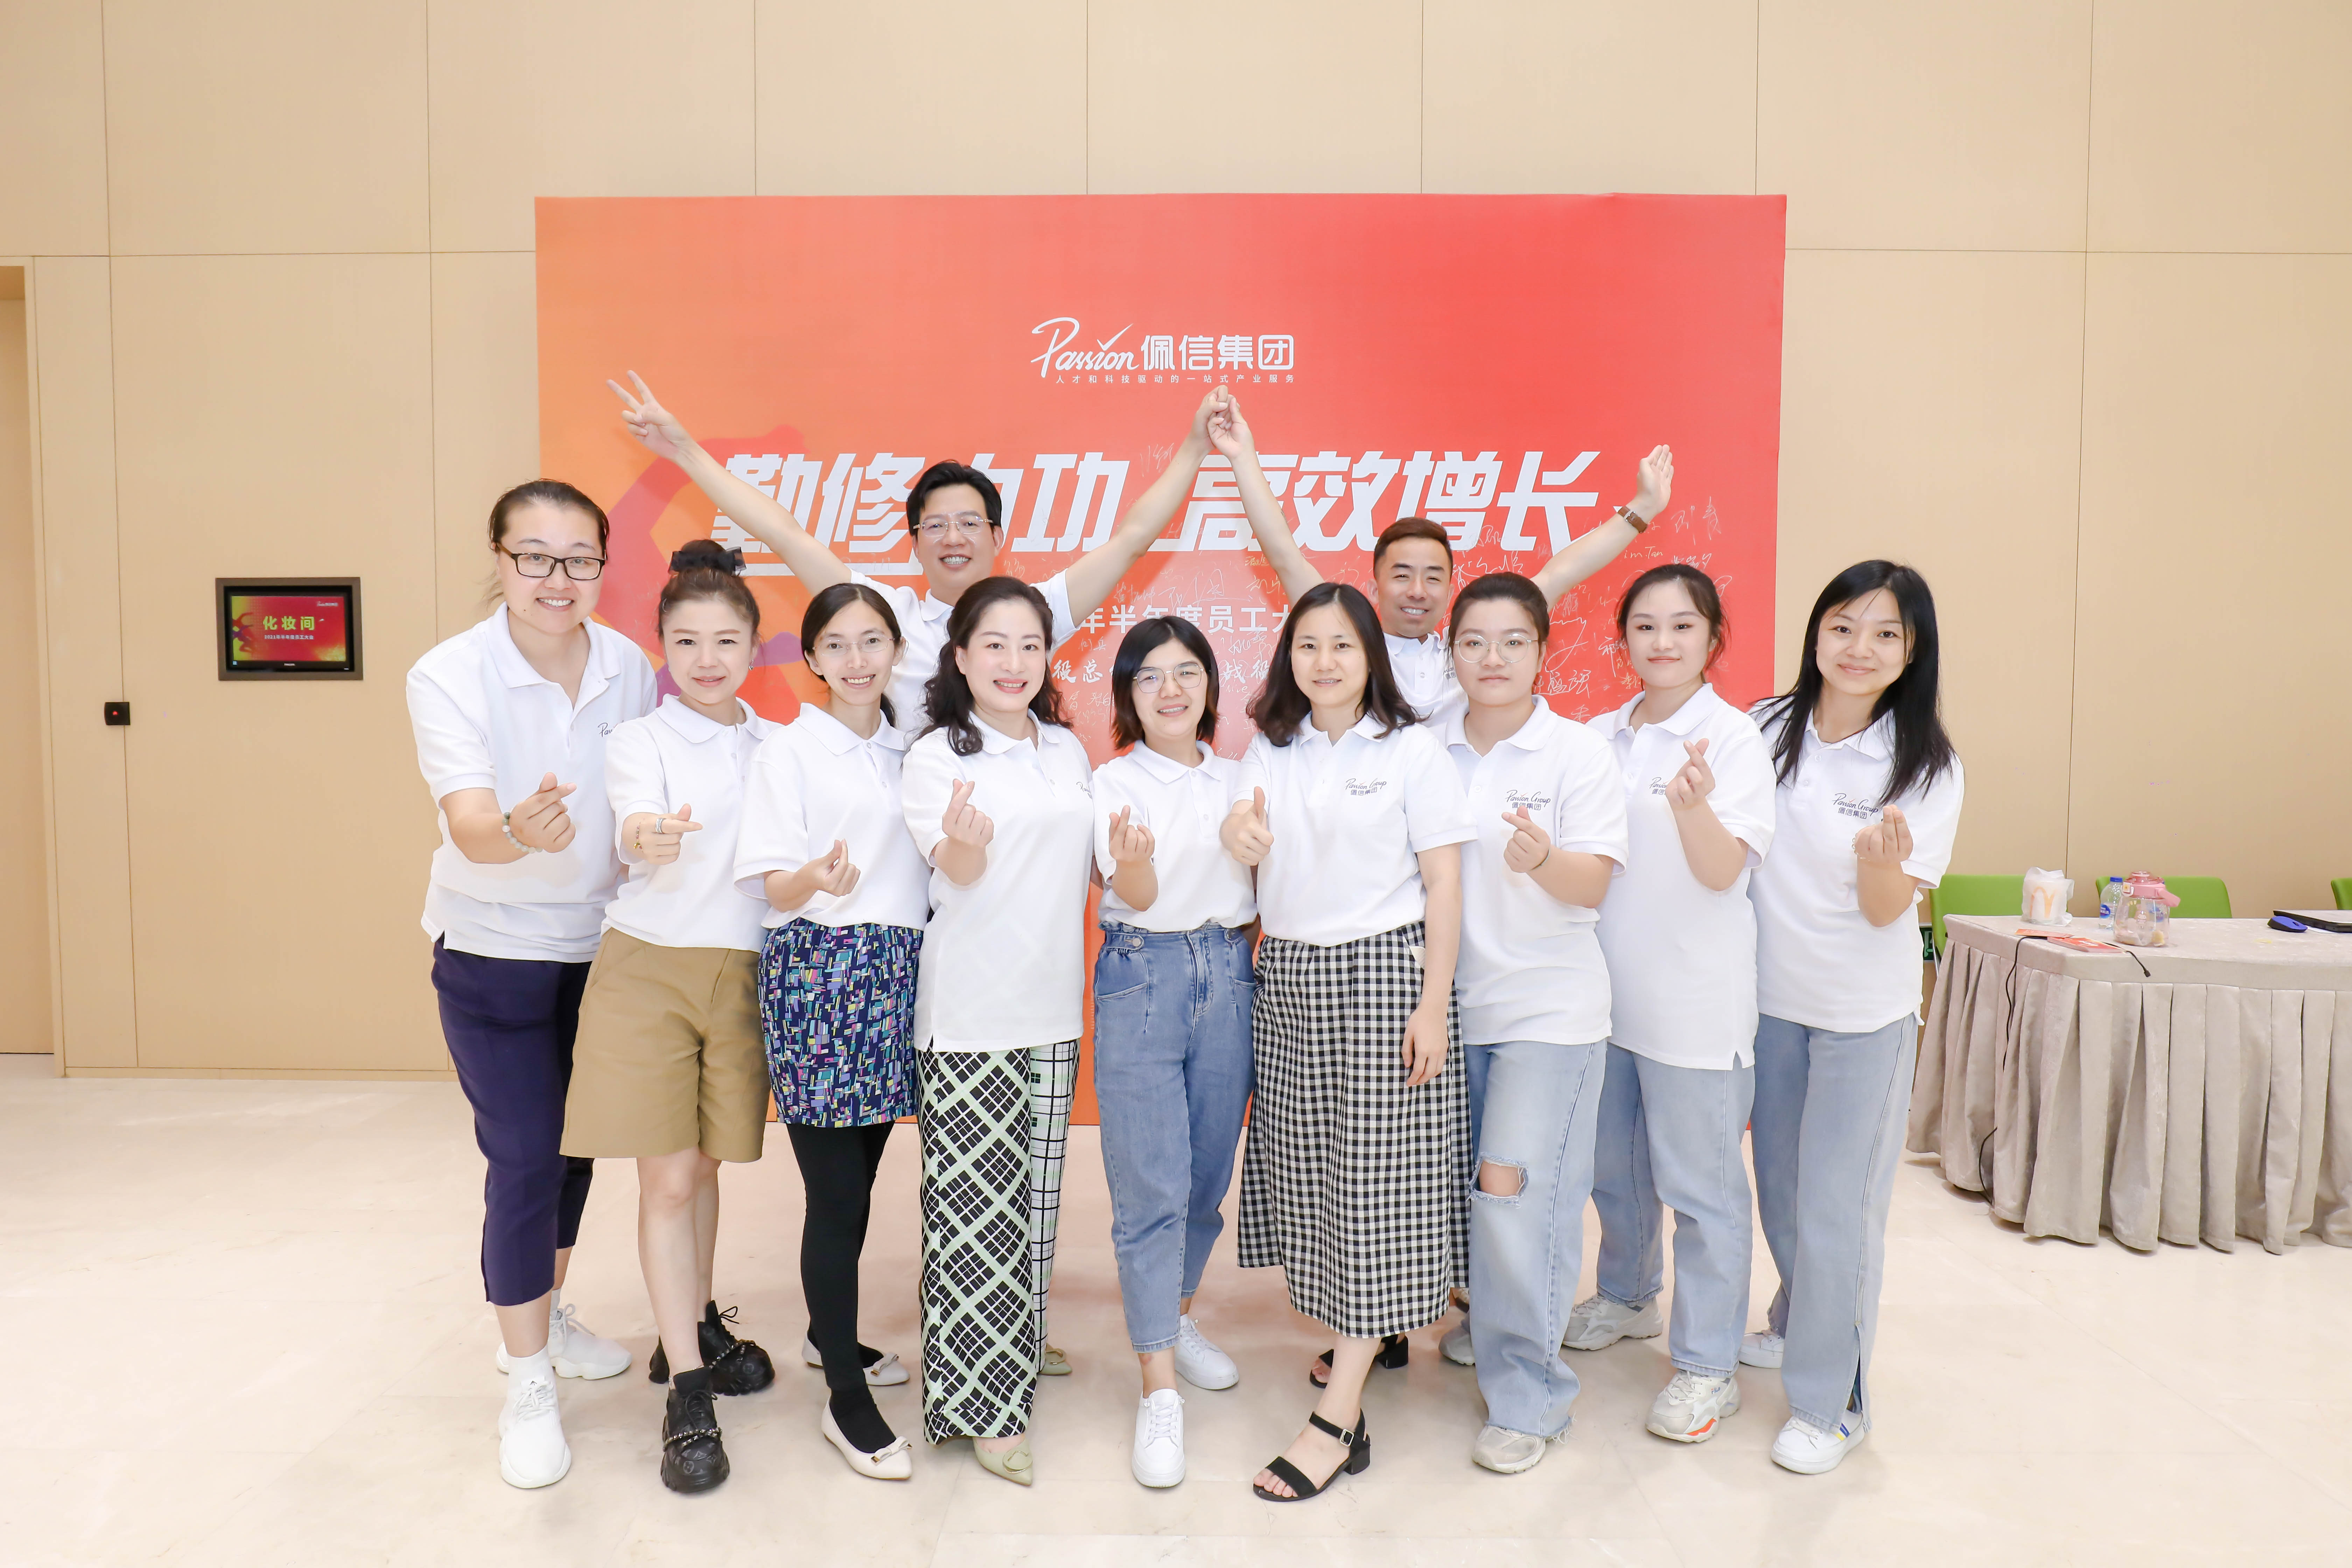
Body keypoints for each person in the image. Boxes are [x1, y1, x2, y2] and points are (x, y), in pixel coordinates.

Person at [404, 480, 648, 1489]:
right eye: (535, 557)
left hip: (603, 947)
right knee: (524, 1156)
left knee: (575, 1149)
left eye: (580, 559)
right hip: (492, 948)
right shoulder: (449, 673)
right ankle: (527, 1377)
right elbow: (467, 822)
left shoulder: (630, 664)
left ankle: (545, 1317)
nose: (559, 579)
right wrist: (514, 831)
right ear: (500, 558)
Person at [1221, 582, 1476, 1502]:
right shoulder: (1270, 748)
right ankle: (1366, 1342)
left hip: (1383, 980)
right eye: (1307, 645)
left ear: (1372, 656)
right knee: (1316, 1178)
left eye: (1342, 645)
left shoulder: (1412, 750)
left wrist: (1433, 1003)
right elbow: (1245, 839)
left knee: (1375, 1188)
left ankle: (1338, 1419)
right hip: (1290, 979)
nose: (1323, 662)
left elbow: (1444, 886)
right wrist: (1239, 832)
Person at [611, 372, 1221, 733]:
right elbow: (787, 535)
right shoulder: (885, 615)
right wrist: (688, 454)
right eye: (937, 526)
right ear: (915, 543)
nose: (954, 538)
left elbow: (1131, 539)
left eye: (970, 524)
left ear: (998, 539)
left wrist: (1194, 449)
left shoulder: (1031, 614)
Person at [559, 540, 779, 1493]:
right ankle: (688, 1389)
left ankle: (692, 1324)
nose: (706, 659)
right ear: (662, 647)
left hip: (745, 970)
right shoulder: (638, 741)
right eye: (686, 641)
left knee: (708, 1164)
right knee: (670, 1179)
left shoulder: (777, 745)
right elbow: (635, 825)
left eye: (726, 640)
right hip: (651, 966)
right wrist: (649, 836)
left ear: (755, 647)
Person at [1744, 560, 1963, 1475]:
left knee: (1840, 1206)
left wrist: (1881, 863)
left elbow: (1884, 913)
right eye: (1842, 626)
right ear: (1816, 634)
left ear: (1913, 652)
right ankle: (1802, 1315)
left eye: (1885, 634)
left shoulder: (1926, 766)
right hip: (1768, 1004)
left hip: (1860, 1017)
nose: (1859, 648)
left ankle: (1835, 1401)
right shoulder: (1765, 727)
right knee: (1784, 1190)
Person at [1566, 564, 1777, 1450]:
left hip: (1695, 1002)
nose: (1662, 641)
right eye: (1645, 626)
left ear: (1713, 638)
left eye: (1683, 625)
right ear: (1623, 639)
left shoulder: (1733, 739)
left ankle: (1707, 1363)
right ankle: (1627, 1294)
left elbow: (1724, 870)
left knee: (1703, 1191)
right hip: (1604, 997)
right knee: (1614, 1171)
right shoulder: (1599, 737)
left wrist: (1693, 807)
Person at [896, 576, 1097, 1486]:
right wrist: (966, 842)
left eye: (1030, 645)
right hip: (971, 1013)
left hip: (1052, 1006)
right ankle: (985, 1409)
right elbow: (958, 869)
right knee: (977, 1216)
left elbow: (1094, 865)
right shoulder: (936, 756)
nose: (1014, 662)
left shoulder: (1067, 749)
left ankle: (1022, 1336)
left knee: (1037, 1204)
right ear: (961, 657)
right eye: (995, 644)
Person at [732, 581, 930, 1482]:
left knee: (865, 1172)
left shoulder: (910, 746)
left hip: (898, 969)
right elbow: (769, 883)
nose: (857, 659)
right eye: (837, 644)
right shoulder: (789, 748)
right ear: (811, 657)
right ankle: (846, 1398)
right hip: (818, 968)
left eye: (872, 641)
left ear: (896, 650)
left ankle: (827, 1332)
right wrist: (813, 876)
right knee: (836, 1192)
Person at [1436, 573, 1627, 1474]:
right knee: (1471, 1192)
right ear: (1452, 651)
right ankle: (1501, 1322)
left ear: (1543, 651)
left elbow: (1594, 884)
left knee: (1516, 1191)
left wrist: (1546, 858)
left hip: (1548, 1010)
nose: (1493, 657)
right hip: (1450, 1009)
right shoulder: (1426, 746)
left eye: (1514, 640)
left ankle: (1531, 1396)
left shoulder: (1576, 753)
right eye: (1475, 640)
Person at [1207, 389, 1674, 725]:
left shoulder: (1470, 650)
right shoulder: (1348, 648)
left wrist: (1643, 509)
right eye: (1402, 575)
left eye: (1433, 577)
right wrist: (1242, 458)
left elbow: (1559, 575)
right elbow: (1285, 557)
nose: (1418, 591)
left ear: (1451, 589)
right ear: (1373, 588)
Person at [1088, 616, 1259, 1489]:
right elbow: (1138, 893)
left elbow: (1273, 875)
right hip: (1143, 973)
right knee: (1150, 1186)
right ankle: (1158, 1385)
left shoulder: (1245, 776)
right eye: (1150, 675)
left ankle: (1176, 1312)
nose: (1170, 688)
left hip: (1230, 969)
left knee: (1203, 1178)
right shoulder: (1111, 782)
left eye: (1187, 671)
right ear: (1128, 692)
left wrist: (1250, 844)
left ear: (1209, 687)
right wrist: (1135, 862)